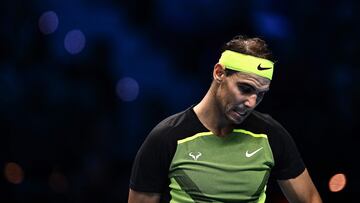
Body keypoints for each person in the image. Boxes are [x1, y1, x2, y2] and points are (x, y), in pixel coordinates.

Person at [128, 35, 322, 203]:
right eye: (245, 89)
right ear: (219, 73)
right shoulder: (165, 138)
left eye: (260, 94)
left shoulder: (271, 136)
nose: (252, 102)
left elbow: (310, 199)